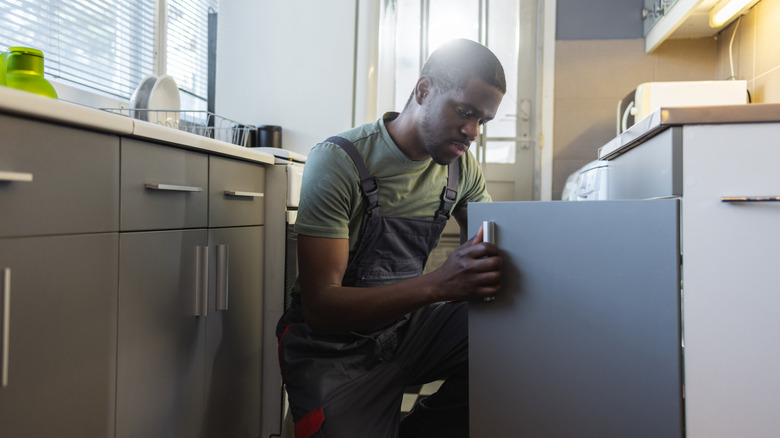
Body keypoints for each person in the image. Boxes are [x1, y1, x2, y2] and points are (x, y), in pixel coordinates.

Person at [276, 38, 505, 438]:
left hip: (405, 332)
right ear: (423, 90)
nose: (472, 133)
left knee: (511, 334)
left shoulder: (461, 168)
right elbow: (321, 307)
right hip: (332, 350)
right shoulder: (339, 161)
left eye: (482, 122)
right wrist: (438, 285)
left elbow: (496, 247)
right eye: (465, 113)